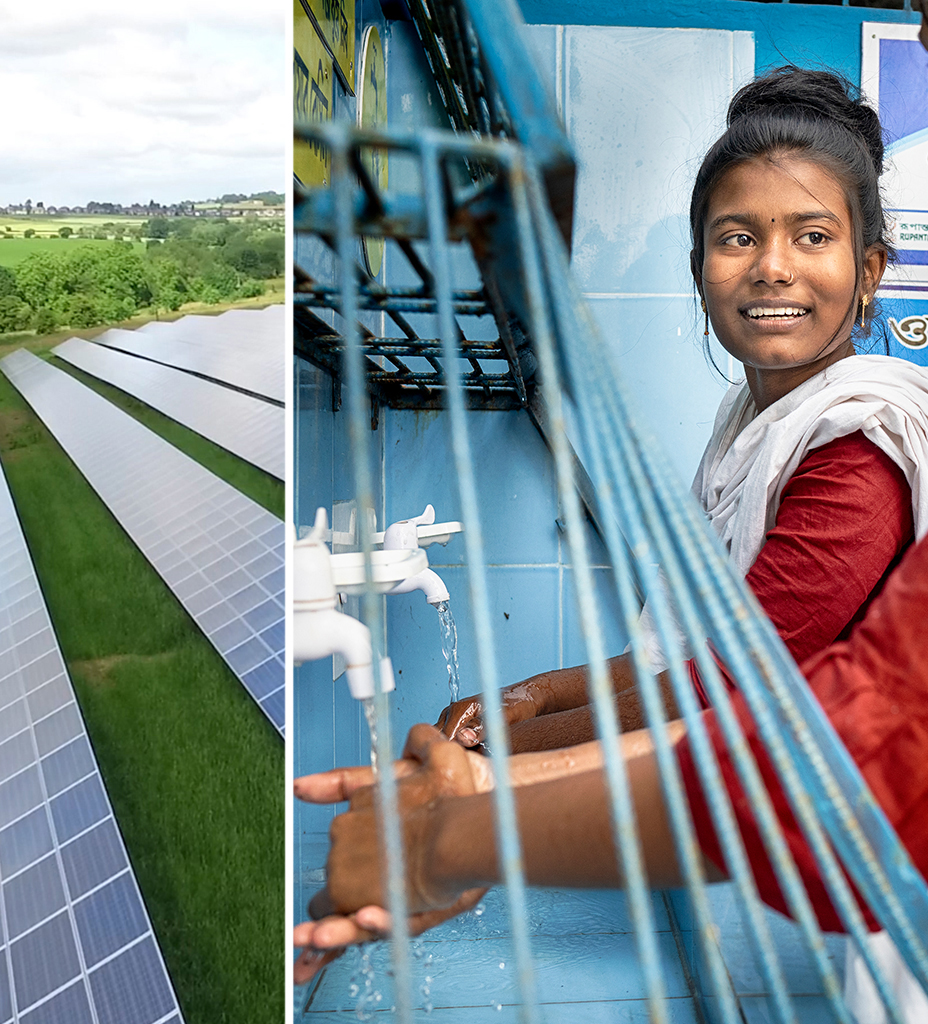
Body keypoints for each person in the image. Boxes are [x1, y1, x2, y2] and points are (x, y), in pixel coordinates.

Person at [436, 67, 928, 757]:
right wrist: (532, 696)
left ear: (869, 272)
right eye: (738, 238)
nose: (772, 267)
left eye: (813, 236)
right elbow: (681, 662)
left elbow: (731, 685)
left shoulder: (861, 445)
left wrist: (492, 758)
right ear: (699, 268)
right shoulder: (747, 427)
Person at [294, 527, 928, 1024]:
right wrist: (501, 764)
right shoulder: (743, 441)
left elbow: (827, 762)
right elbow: (781, 723)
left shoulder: (857, 456)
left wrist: (444, 840)